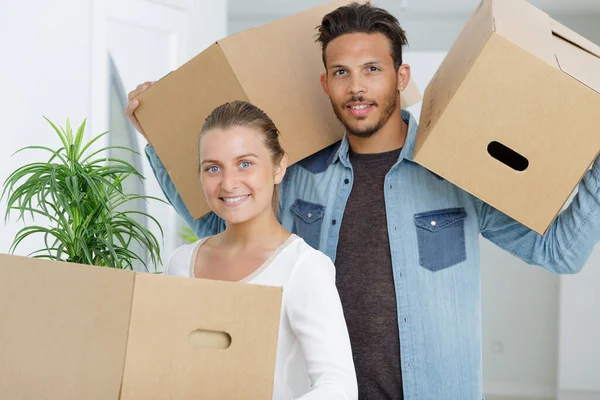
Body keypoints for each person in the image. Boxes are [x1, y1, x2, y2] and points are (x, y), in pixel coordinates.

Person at [126, 3, 600, 399]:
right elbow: (222, 231)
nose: (356, 87)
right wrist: (159, 142)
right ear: (325, 83)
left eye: (372, 69)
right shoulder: (299, 177)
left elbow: (557, 251)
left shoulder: (455, 172)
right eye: (341, 73)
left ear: (400, 75)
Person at [164, 100, 358, 400]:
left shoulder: (303, 268)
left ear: (279, 167)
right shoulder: (180, 263)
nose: (229, 183)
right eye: (213, 168)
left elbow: (339, 388)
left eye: (245, 164)